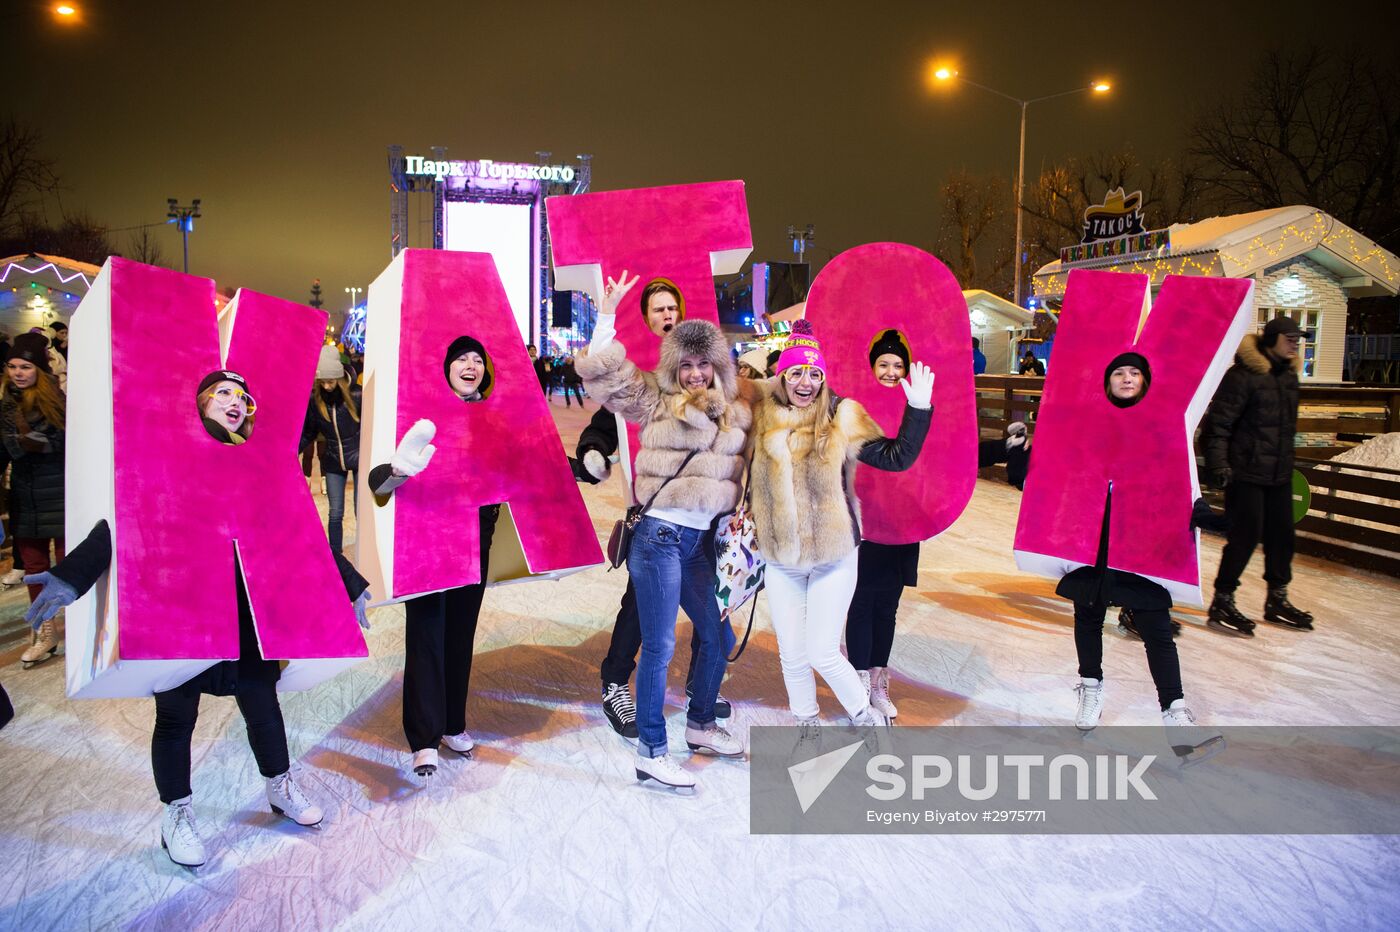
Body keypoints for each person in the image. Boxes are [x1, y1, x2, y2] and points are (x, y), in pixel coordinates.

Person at [23, 369, 370, 868]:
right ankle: (177, 814)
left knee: (261, 702)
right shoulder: (170, 457)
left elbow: (299, 530)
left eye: (244, 396)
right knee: (176, 715)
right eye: (225, 392)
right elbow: (127, 520)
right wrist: (72, 576)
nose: (236, 401)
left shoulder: (258, 465)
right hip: (183, 609)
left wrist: (349, 582)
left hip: (244, 608)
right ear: (202, 402)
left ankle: (279, 787)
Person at [576, 270, 750, 790]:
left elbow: (796, 400)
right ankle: (652, 748)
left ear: (718, 364)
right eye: (687, 364)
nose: (696, 373)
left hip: (700, 544)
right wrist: (605, 317)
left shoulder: (736, 411)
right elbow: (608, 379)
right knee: (659, 648)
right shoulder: (655, 398)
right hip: (659, 539)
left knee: (718, 637)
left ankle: (699, 725)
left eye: (704, 363)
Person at [749, 320, 932, 732]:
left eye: (815, 374)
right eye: (796, 372)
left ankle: (866, 718)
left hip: (833, 554)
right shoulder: (760, 415)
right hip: (782, 558)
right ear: (782, 375)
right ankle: (806, 725)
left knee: (823, 652)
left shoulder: (841, 415)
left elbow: (896, 456)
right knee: (792, 653)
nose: (806, 382)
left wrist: (918, 409)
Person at [1061, 355, 1219, 757]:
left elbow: (1181, 479)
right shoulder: (1090, 422)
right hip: (1095, 535)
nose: (1127, 378)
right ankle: (1090, 688)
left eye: (1134, 373)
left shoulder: (1163, 425)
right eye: (1119, 373)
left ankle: (1175, 715)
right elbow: (1066, 470)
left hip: (1141, 541)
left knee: (1156, 627)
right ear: (1108, 381)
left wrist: (1198, 510)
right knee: (1089, 614)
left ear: (1146, 381)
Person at [367, 335, 501, 779]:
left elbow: (517, 469)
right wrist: (396, 472)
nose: (470, 365)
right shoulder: (420, 415)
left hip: (474, 542)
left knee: (460, 636)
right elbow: (377, 481)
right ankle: (424, 738)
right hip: (427, 543)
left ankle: (451, 722)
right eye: (461, 359)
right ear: (446, 368)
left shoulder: (490, 418)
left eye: (477, 360)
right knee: (427, 634)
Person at [1201, 315, 1314, 636]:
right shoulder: (1243, 376)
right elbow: (1218, 425)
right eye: (1290, 338)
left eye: (1298, 339)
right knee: (1245, 536)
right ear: (1272, 339)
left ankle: (1277, 598)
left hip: (1278, 473)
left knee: (1282, 537)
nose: (1295, 344)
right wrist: (1218, 465)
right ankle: (1223, 598)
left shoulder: (1288, 378)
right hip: (1245, 473)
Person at [844, 329, 921, 719]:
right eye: (884, 365)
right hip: (866, 519)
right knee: (861, 602)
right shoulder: (858, 411)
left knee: (887, 606)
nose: (891, 371)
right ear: (871, 368)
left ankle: (877, 678)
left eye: (897, 365)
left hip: (903, 521)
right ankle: (857, 678)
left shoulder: (917, 404)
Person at [2, 333, 66, 668]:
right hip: (26, 497)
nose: (17, 372)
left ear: (38, 369)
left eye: (25, 366)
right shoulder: (4, 408)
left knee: (72, 567)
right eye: (12, 366)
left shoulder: (59, 401)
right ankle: (46, 632)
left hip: (62, 493)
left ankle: (89, 629)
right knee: (35, 571)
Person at [300, 345, 361, 554]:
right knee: (335, 512)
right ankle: (335, 555)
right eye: (322, 381)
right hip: (333, 460)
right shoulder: (316, 401)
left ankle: (365, 552)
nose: (326, 386)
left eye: (331, 381)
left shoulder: (356, 396)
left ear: (340, 379)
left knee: (360, 510)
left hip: (358, 459)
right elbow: (308, 432)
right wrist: (291, 451)